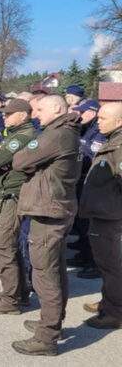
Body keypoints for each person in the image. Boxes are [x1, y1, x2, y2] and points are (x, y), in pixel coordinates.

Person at [10, 95, 81, 356]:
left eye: (39, 109)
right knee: (55, 269)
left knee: (44, 274)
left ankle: (47, 337)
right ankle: (52, 323)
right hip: (54, 207)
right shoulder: (61, 132)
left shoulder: (57, 134)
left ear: (56, 109)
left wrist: (30, 161)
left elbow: (18, 161)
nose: (35, 113)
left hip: (48, 210)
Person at [0, 98, 36, 315]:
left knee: (4, 249)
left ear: (23, 115)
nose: (4, 116)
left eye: (9, 113)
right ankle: (18, 293)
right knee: (11, 248)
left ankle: (10, 299)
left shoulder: (21, 137)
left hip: (9, 198)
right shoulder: (14, 134)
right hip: (6, 196)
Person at [78, 102, 122, 329]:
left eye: (104, 118)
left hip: (110, 216)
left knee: (110, 265)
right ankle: (109, 301)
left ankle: (114, 312)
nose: (98, 122)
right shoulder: (112, 140)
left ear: (119, 121)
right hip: (102, 213)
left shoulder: (120, 146)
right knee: (106, 263)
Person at [68, 99, 105, 279]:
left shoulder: (99, 132)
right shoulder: (87, 128)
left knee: (91, 226)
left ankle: (94, 263)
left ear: (94, 112)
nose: (79, 115)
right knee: (82, 222)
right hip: (81, 180)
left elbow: (94, 155)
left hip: (91, 182)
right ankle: (84, 254)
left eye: (83, 112)